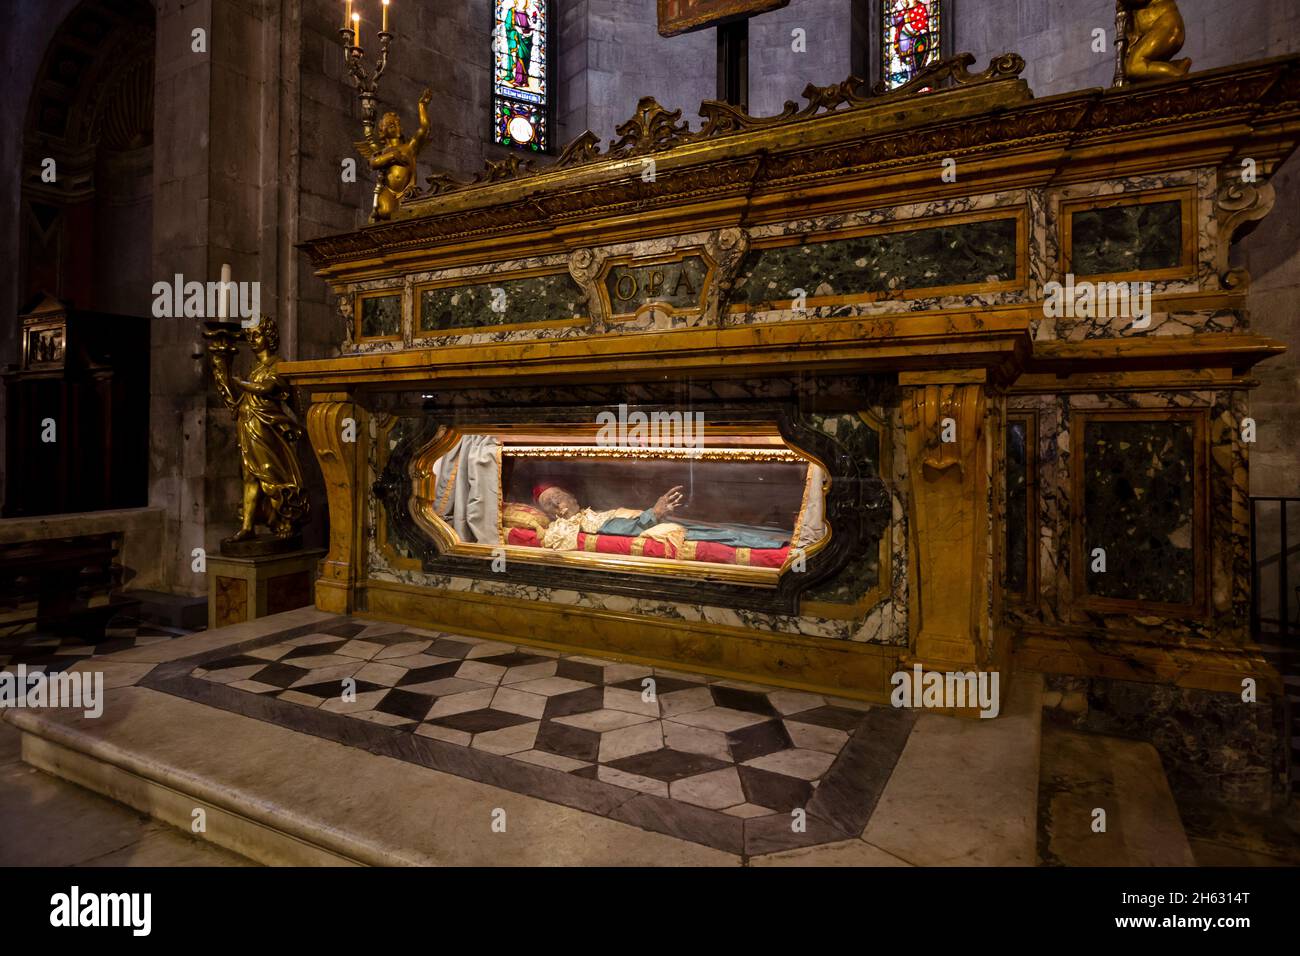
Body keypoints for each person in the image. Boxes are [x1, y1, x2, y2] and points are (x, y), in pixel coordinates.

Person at [533, 482, 787, 551]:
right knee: (724, 534)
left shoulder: (590, 515)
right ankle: (780, 544)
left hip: (657, 523)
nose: (561, 499)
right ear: (553, 509)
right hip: (652, 528)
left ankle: (781, 535)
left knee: (724, 525)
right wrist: (652, 514)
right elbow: (622, 530)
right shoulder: (570, 527)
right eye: (553, 500)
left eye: (560, 494)